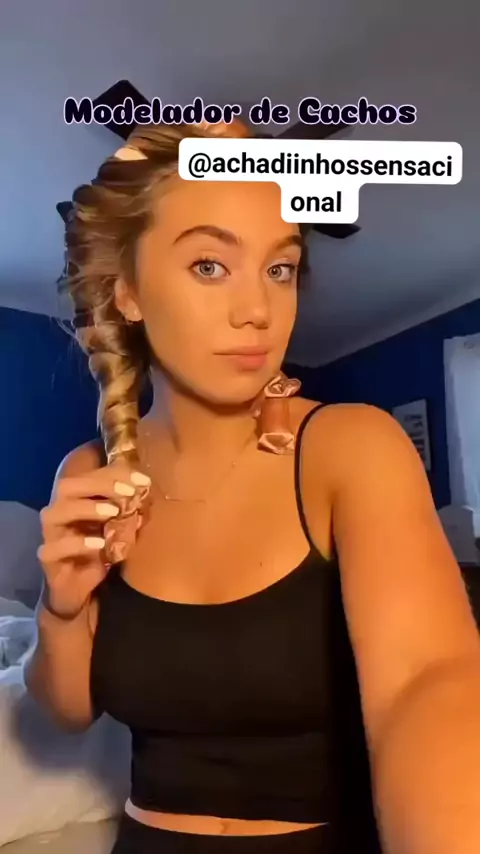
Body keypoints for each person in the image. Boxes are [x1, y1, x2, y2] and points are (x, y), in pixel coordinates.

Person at [25, 117, 480, 854]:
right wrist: (63, 608)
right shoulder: (89, 474)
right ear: (127, 292)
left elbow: (428, 683)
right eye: (210, 265)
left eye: (280, 269)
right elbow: (67, 712)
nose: (259, 311)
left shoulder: (350, 447)